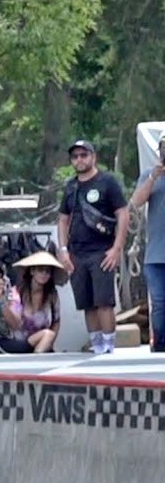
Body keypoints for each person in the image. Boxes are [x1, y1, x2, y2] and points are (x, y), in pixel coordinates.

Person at [56, 139, 128, 355]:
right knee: (86, 303)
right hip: (77, 253)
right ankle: (96, 345)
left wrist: (117, 248)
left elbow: (122, 213)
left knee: (104, 302)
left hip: (101, 251)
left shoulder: (107, 182)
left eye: (83, 155)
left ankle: (109, 346)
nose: (79, 160)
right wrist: (63, 250)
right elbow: (62, 219)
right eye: (75, 156)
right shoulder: (70, 187)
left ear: (93, 157)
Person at [129, 134, 165, 352]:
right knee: (159, 305)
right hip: (156, 255)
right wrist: (152, 177)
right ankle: (160, 347)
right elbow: (135, 202)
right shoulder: (149, 175)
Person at [8, 251, 63, 353]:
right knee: (48, 334)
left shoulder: (52, 295)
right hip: (17, 343)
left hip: (41, 343)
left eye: (48, 271)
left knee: (49, 335)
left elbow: (56, 320)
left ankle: (37, 356)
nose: (44, 274)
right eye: (40, 270)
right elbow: (14, 321)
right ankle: (34, 360)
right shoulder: (17, 292)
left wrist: (49, 343)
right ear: (32, 271)